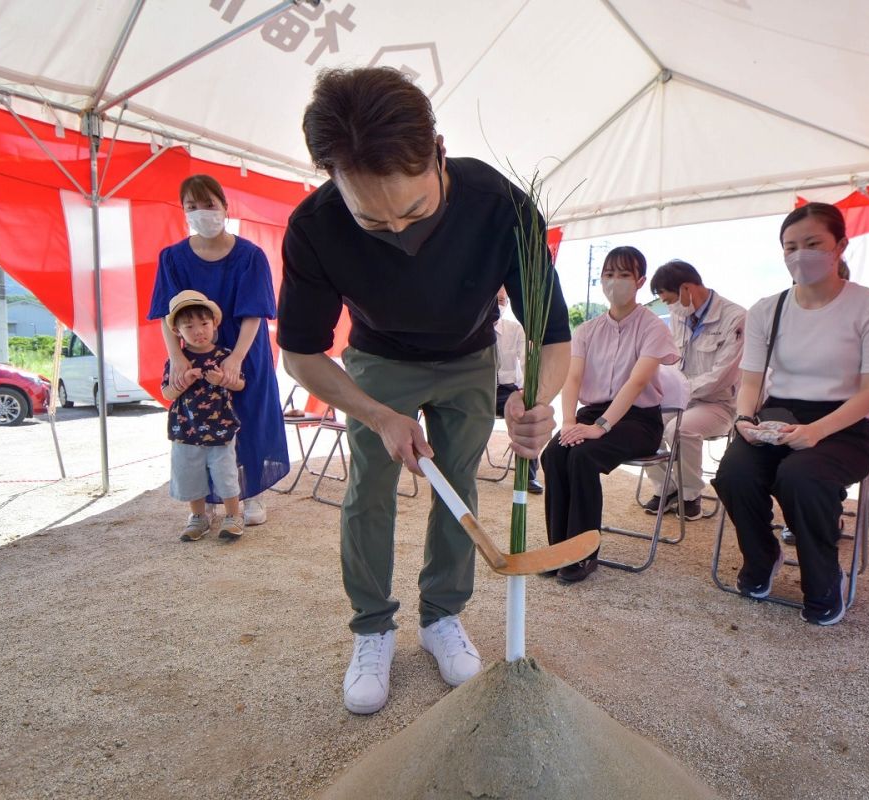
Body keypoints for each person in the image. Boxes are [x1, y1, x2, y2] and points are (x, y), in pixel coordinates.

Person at [276, 67, 571, 715]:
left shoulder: (501, 206)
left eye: (414, 210)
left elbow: (553, 337)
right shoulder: (315, 228)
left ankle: (441, 617)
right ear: (331, 179)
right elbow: (299, 352)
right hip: (379, 360)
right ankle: (373, 627)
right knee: (370, 491)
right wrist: (378, 413)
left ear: (439, 152)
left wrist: (535, 401)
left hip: (470, 356)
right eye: (373, 223)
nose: (400, 232)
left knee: (458, 482)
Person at [713, 202, 869, 626]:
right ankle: (763, 558)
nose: (800, 255)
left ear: (840, 246)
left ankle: (824, 577)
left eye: (813, 244)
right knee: (733, 474)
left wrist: (816, 432)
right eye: (790, 246)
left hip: (843, 425)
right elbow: (752, 380)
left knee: (802, 477)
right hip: (776, 416)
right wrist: (744, 420)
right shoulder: (766, 309)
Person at [148, 175, 290, 527]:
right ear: (183, 212)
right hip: (196, 350)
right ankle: (207, 499)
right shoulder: (172, 258)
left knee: (250, 417)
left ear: (225, 207)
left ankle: (252, 494)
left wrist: (236, 357)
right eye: (192, 207)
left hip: (244, 348)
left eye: (209, 205)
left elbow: (255, 311)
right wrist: (178, 357)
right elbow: (165, 314)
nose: (202, 213)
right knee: (200, 421)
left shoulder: (251, 255)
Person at [540, 246, 678, 583]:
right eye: (609, 274)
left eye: (624, 275)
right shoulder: (587, 330)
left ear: (640, 281)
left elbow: (637, 382)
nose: (615, 282)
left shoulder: (652, 327)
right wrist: (570, 421)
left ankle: (583, 553)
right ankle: (558, 547)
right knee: (555, 454)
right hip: (593, 412)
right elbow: (572, 378)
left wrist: (601, 427)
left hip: (639, 419)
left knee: (583, 457)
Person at [642, 260, 746, 520]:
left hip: (719, 404)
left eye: (668, 299)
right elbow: (672, 360)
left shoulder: (736, 317)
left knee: (679, 428)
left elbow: (723, 375)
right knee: (643, 423)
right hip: (681, 400)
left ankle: (690, 495)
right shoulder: (680, 316)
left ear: (687, 288)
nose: (668, 307)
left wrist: (681, 390)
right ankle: (667, 488)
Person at [160, 290, 247, 542]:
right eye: (189, 326)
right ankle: (198, 517)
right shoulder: (177, 361)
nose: (198, 330)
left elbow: (241, 384)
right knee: (189, 473)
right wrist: (183, 381)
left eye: (204, 324)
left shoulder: (224, 356)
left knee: (226, 472)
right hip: (185, 429)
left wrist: (222, 379)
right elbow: (167, 392)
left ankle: (233, 515)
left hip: (221, 427)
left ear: (215, 323)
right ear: (177, 331)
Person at [494, 287, 543, 494]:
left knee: (524, 413)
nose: (498, 304)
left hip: (505, 391)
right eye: (494, 299)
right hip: (471, 388)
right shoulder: (467, 328)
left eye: (502, 300)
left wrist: (527, 391)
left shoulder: (515, 330)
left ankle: (527, 474)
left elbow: (527, 362)